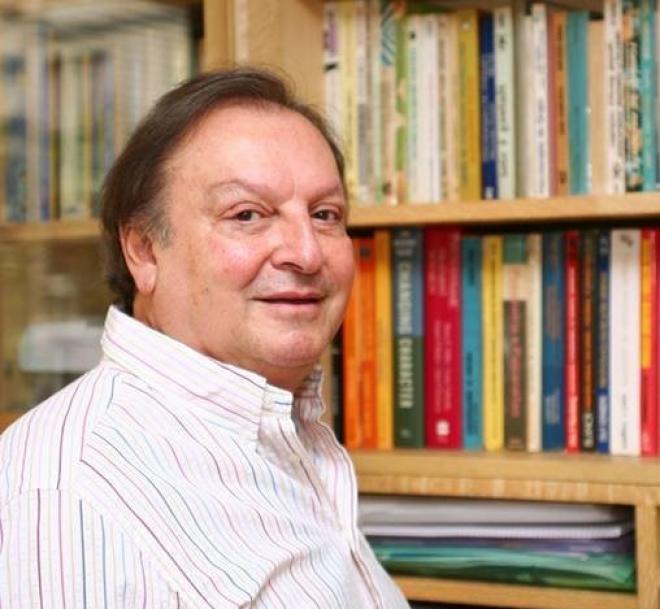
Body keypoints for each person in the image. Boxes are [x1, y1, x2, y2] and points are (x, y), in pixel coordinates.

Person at [0, 68, 410, 608]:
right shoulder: (67, 493)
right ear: (144, 250)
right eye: (247, 215)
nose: (307, 253)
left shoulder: (289, 440)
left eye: (325, 215)